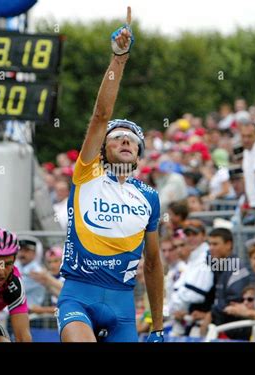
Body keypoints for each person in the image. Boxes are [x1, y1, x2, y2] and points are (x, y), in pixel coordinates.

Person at [56, 7, 164, 343]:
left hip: (122, 307)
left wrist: (158, 326)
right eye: (117, 137)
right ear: (103, 149)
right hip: (78, 297)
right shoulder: (87, 172)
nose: (125, 142)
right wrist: (119, 59)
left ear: (139, 154)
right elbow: (102, 115)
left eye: (132, 140)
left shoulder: (149, 197)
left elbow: (153, 265)